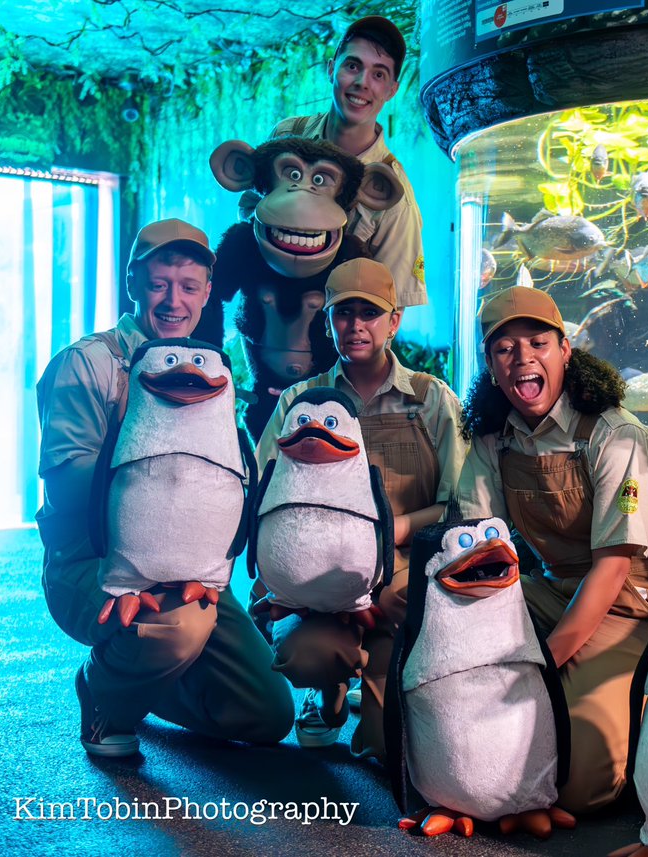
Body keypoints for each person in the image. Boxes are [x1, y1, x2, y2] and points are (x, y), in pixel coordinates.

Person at [36, 218, 294, 757]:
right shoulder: (88, 364)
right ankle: (104, 694)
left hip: (192, 573)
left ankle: (146, 674)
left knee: (267, 712)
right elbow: (66, 491)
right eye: (158, 284)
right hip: (98, 566)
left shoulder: (209, 373)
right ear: (133, 285)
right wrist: (144, 545)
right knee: (179, 626)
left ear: (206, 293)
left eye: (189, 286)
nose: (173, 301)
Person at [455, 285, 648, 814]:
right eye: (504, 349)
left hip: (630, 600)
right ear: (489, 364)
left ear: (565, 351)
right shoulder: (493, 441)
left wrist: (544, 662)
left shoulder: (615, 436)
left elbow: (613, 567)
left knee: (581, 786)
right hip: (551, 589)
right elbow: (475, 548)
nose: (523, 358)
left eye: (537, 343)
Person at [255, 257, 465, 754]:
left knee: (383, 747)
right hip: (318, 579)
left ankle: (389, 682)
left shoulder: (430, 400)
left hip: (401, 578)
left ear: (394, 321)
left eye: (369, 313)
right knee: (307, 654)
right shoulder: (299, 402)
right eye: (343, 313)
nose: (355, 325)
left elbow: (458, 506)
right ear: (327, 323)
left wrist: (386, 534)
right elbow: (262, 500)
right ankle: (326, 690)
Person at [270, 15, 426, 310]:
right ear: (332, 68)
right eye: (352, 66)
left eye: (378, 75)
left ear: (392, 90)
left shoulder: (395, 199)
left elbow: (389, 311)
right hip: (265, 324)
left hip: (334, 343)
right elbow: (252, 212)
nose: (361, 83)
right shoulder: (287, 135)